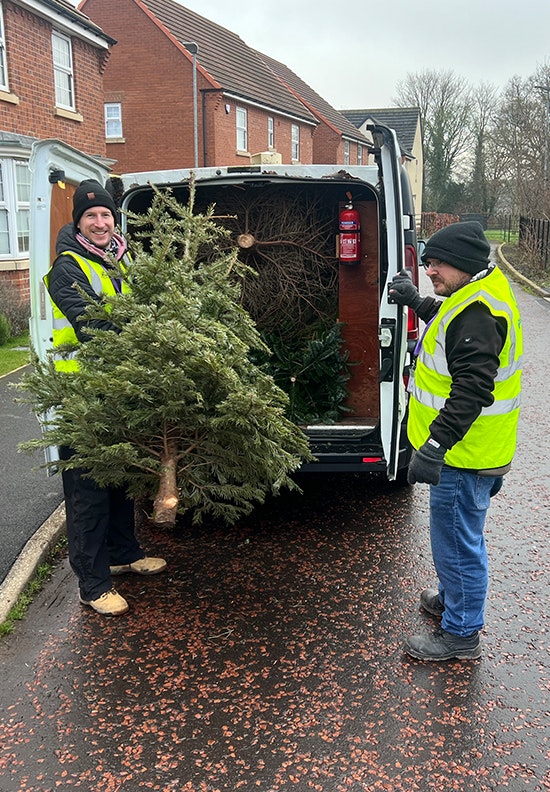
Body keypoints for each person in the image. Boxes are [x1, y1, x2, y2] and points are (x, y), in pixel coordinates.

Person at [388, 221, 522, 661]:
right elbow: (450, 325)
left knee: (457, 542)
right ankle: (452, 599)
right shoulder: (474, 294)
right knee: (457, 536)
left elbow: (470, 389)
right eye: (427, 261)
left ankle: (461, 634)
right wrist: (416, 302)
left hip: (462, 455)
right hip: (477, 449)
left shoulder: (478, 314)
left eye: (437, 263)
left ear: (463, 264)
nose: (429, 270)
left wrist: (434, 446)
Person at [44, 179, 166, 617]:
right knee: (88, 492)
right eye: (91, 216)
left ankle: (123, 552)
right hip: (83, 396)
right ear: (78, 221)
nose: (99, 223)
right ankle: (93, 585)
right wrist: (147, 347)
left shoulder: (122, 258)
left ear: (116, 219)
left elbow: (145, 304)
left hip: (119, 390)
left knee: (120, 480)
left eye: (106, 215)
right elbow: (89, 323)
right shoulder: (68, 267)